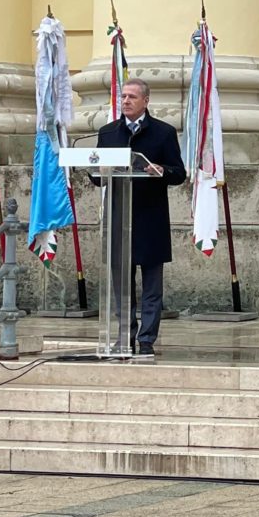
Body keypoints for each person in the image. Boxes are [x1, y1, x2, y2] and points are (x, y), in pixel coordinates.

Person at [95, 78, 186, 355]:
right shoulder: (108, 132)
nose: (126, 101)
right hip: (119, 217)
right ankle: (124, 337)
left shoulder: (163, 132)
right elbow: (97, 176)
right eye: (123, 96)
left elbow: (179, 173)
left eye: (132, 97)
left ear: (146, 101)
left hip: (150, 219)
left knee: (151, 287)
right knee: (121, 287)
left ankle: (146, 340)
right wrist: (97, 171)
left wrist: (162, 170)